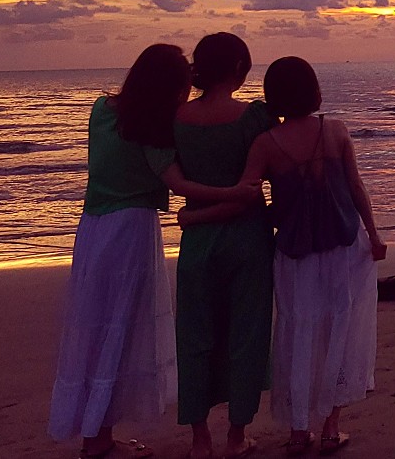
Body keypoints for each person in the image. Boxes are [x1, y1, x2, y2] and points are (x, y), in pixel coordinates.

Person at [48, 44, 258, 459]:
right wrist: (233, 192)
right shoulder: (151, 129)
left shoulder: (101, 110)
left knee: (96, 326)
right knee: (119, 328)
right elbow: (179, 184)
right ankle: (98, 441)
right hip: (129, 230)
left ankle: (97, 435)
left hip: (92, 229)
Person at [241, 56, 384, 455]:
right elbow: (356, 188)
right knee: (342, 329)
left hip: (295, 253)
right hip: (344, 246)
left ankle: (298, 430)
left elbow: (246, 195)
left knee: (298, 334)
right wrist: (374, 235)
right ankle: (330, 427)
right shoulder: (334, 131)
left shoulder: (266, 144)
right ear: (314, 90)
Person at [170, 33, 276, 459]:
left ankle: (200, 439)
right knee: (247, 334)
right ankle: (236, 435)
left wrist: (194, 216)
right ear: (237, 68)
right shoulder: (255, 117)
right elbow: (270, 177)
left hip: (198, 239)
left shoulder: (176, 118)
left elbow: (172, 178)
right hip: (248, 236)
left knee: (194, 334)